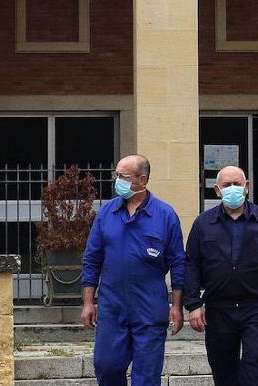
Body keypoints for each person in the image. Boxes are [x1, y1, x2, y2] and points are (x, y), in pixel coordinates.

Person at [81, 154, 186, 386]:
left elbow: (178, 263)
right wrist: (88, 302)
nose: (117, 180)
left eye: (124, 176)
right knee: (107, 368)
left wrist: (177, 306)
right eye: (116, 175)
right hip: (112, 308)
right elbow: (92, 260)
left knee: (146, 378)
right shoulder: (106, 214)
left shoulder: (165, 216)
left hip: (149, 309)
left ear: (143, 180)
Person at [184, 166, 258, 386]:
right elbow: (191, 264)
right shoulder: (203, 223)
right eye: (226, 185)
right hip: (219, 308)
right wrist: (193, 304)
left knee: (255, 366)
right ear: (217, 190)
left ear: (247, 187)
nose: (233, 189)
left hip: (256, 307)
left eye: (237, 184)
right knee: (223, 368)